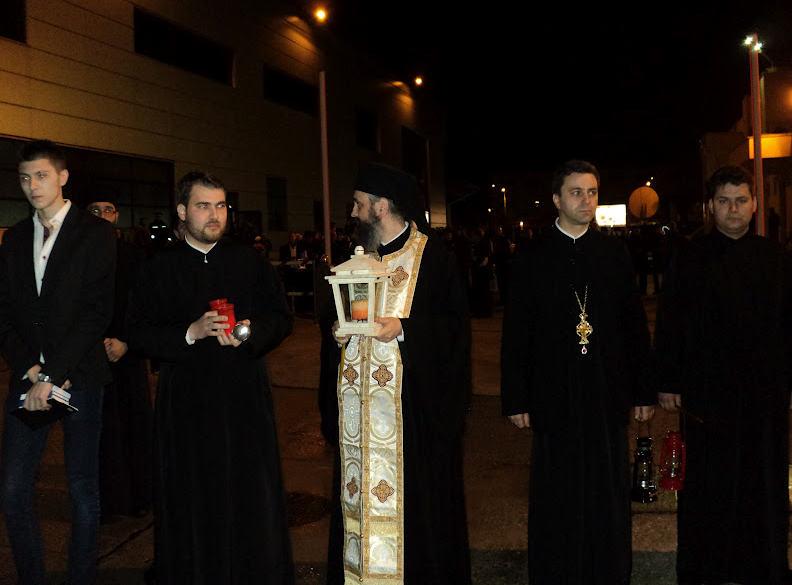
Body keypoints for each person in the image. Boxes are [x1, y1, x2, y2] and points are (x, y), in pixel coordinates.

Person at [125, 170, 294, 584]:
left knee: (249, 492)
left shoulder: (249, 260)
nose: (215, 215)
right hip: (187, 401)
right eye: (204, 206)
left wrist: (251, 331)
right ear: (182, 211)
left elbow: (281, 317)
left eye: (220, 206)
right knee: (192, 494)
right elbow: (137, 331)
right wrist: (190, 332)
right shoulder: (159, 267)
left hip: (244, 398)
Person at [501, 159, 654, 585]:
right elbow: (517, 331)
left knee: (607, 491)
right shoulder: (533, 255)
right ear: (556, 198)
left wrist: (643, 389)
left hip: (606, 390)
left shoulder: (613, 253)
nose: (586, 200)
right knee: (557, 493)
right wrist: (516, 396)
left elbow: (633, 325)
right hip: (554, 394)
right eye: (575, 192)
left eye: (592, 192)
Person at [327, 162, 471, 585]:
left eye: (359, 204)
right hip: (361, 421)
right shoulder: (358, 260)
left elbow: (455, 330)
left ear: (382, 206)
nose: (353, 213)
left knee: (418, 517)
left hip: (414, 419)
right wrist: (336, 334)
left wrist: (404, 329)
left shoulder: (435, 257)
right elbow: (342, 320)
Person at [654, 165, 792, 585]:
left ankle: (764, 566)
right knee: (707, 484)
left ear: (755, 204)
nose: (733, 209)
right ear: (710, 206)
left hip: (764, 393)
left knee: (762, 481)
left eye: (741, 200)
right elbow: (670, 323)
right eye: (724, 201)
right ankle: (705, 567)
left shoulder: (776, 259)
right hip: (706, 394)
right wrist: (667, 380)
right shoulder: (689, 259)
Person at [0, 139, 116, 584]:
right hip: (29, 379)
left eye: (41, 175)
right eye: (25, 177)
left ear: (63, 177)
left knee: (81, 489)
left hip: (78, 378)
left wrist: (52, 374)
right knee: (12, 489)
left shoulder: (94, 233)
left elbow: (95, 312)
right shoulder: (14, 238)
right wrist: (32, 371)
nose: (32, 185)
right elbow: (0, 314)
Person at [85, 189, 152, 520]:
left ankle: (140, 496)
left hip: (128, 352)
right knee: (100, 430)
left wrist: (125, 341)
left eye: (108, 209)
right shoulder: (77, 256)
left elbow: (145, 304)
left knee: (134, 424)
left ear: (116, 216)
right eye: (94, 210)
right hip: (90, 354)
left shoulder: (134, 256)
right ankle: (108, 502)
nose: (102, 216)